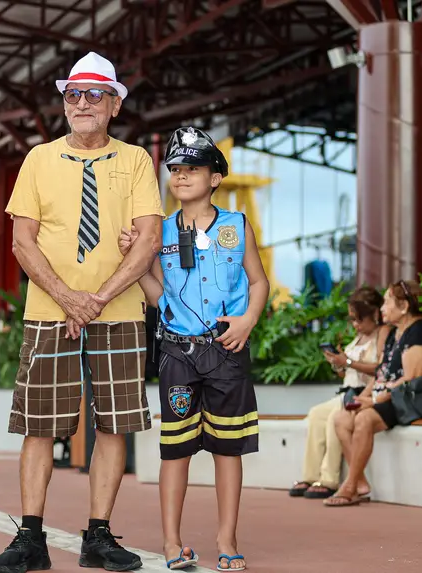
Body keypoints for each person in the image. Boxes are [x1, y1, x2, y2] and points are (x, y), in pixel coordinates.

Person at [0, 51, 164, 573]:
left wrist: (96, 299)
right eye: (73, 95)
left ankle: (99, 536)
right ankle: (31, 538)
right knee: (38, 425)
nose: (82, 103)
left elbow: (148, 238)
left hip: (119, 311)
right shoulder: (38, 159)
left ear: (113, 104)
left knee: (114, 423)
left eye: (93, 95)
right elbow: (23, 242)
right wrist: (69, 299)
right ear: (65, 105)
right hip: (49, 311)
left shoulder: (135, 160)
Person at [119, 126, 270, 571]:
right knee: (176, 449)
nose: (181, 176)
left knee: (228, 449)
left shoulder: (236, 227)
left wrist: (249, 319)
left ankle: (227, 540)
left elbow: (259, 281)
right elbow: (156, 295)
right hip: (178, 353)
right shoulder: (159, 233)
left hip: (227, 350)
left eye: (193, 168)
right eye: (176, 169)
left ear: (216, 178)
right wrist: (139, 261)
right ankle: (172, 544)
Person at [324, 280, 422, 507]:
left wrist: (373, 401)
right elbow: (381, 373)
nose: (382, 308)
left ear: (404, 306)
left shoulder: (419, 332)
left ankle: (350, 486)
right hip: (392, 397)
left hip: (413, 400)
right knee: (342, 418)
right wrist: (366, 396)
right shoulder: (396, 334)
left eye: (388, 301)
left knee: (364, 418)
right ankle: (360, 482)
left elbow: (410, 380)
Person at [289, 287, 389, 499]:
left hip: (363, 393)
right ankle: (310, 475)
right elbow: (351, 369)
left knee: (336, 417)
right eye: (353, 319)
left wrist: (349, 362)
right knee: (316, 413)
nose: (356, 324)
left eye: (359, 319)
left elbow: (381, 368)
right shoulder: (359, 335)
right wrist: (339, 364)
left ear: (374, 314)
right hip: (347, 391)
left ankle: (329, 479)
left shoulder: (383, 332)